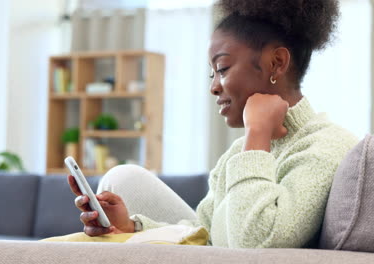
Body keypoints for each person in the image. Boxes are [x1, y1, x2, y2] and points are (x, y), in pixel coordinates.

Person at [68, 0, 358, 248]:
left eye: (222, 69)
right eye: (212, 75)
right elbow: (205, 234)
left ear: (277, 63)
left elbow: (256, 243)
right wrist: (131, 226)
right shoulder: (238, 153)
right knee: (123, 178)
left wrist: (257, 135)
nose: (214, 88)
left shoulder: (327, 146)